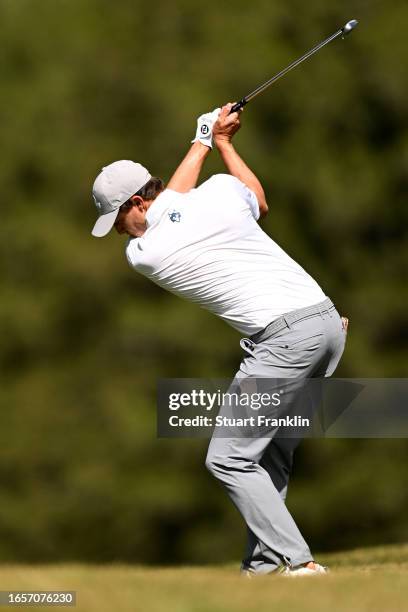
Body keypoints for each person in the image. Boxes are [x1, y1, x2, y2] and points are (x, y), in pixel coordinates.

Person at [90, 103, 348, 577]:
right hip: (329, 326)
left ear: (135, 206)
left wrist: (205, 140)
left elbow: (174, 207)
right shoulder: (217, 195)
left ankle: (300, 564)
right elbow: (256, 200)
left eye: (117, 219)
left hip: (286, 340)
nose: (118, 234)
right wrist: (220, 143)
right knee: (267, 455)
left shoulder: (146, 251)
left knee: (228, 458)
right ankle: (263, 570)